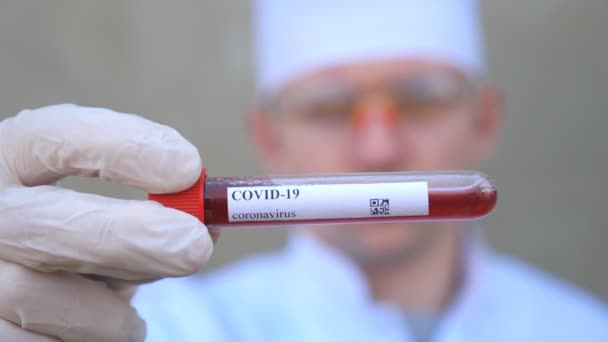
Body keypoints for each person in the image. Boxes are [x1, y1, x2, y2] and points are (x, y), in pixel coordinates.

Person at [0, 1, 606, 341]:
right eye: (329, 108)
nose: (378, 150)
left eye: (421, 98)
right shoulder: (170, 328)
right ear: (269, 138)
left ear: (485, 119)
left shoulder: (584, 329)